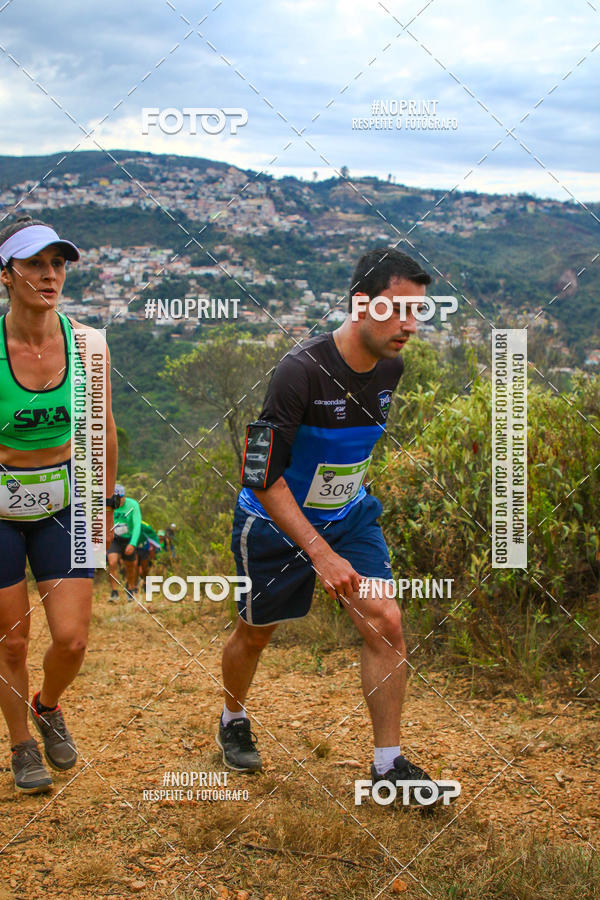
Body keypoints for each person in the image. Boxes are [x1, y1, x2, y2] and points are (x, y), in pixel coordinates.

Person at [221, 247, 443, 806]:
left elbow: (347, 455)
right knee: (255, 633)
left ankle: (387, 767)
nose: (408, 325)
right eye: (396, 309)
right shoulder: (299, 371)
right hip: (274, 522)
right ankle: (233, 715)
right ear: (360, 304)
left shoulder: (392, 367)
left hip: (349, 516)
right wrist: (319, 553)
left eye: (418, 311)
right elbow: (262, 476)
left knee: (386, 620)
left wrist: (338, 527)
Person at [0, 215, 118, 794]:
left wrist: (103, 512)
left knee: (71, 639)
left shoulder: (88, 344)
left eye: (58, 264)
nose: (49, 275)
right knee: (12, 639)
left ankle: (49, 705)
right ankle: (22, 745)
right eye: (35, 265)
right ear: (7, 275)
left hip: (63, 501)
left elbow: (103, 430)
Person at [107, 484, 141, 601]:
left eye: (119, 498)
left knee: (130, 566)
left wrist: (133, 543)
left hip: (128, 538)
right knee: (112, 563)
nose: (117, 501)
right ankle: (114, 591)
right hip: (114, 538)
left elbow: (137, 525)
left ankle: (130, 588)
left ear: (124, 497)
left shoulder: (133, 505)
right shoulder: (109, 504)